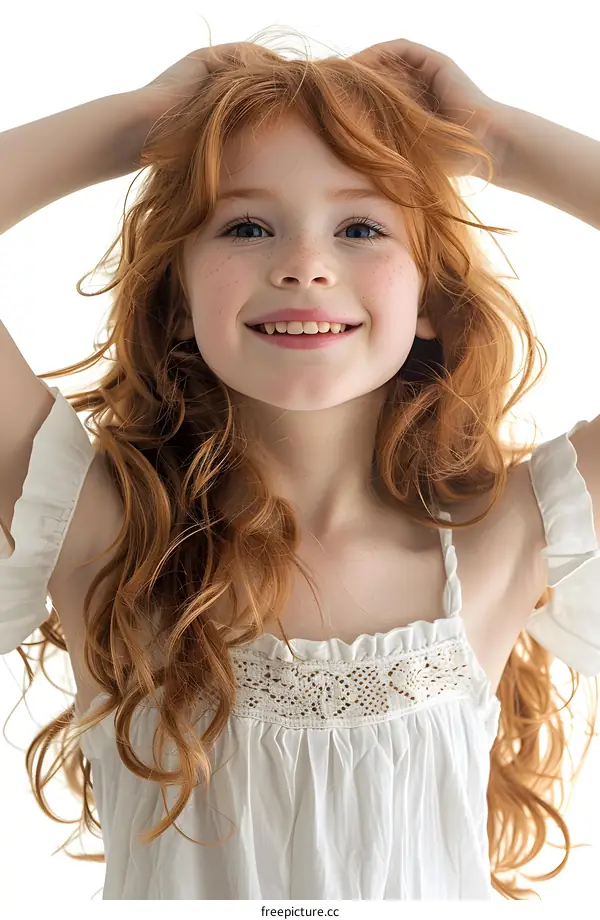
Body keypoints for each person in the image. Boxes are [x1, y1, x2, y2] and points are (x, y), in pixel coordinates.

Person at [1, 34, 600, 901]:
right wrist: (143, 123)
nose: (304, 264)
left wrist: (496, 142)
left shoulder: (506, 539)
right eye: (247, 225)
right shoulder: (106, 537)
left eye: (360, 227)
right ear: (177, 297)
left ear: (429, 299)